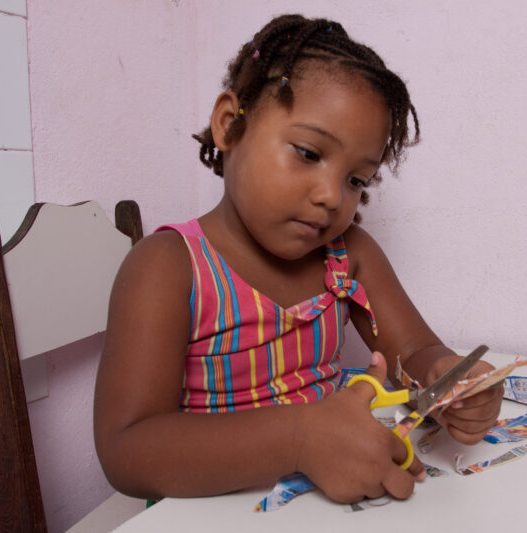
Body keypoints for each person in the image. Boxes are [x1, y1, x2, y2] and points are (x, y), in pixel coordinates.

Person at [94, 13, 503, 505]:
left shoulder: (347, 256)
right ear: (230, 125)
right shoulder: (166, 266)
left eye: (357, 180)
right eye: (309, 152)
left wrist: (447, 380)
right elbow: (126, 450)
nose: (333, 196)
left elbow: (413, 353)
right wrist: (298, 439)